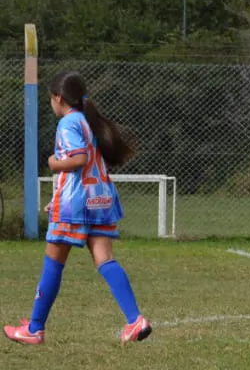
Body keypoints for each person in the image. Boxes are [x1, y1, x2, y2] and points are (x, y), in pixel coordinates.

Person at [5, 71, 151, 345]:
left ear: (58, 98)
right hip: (100, 199)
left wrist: (52, 163)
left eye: (51, 98)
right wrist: (57, 195)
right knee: (106, 260)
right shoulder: (88, 121)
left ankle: (35, 328)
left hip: (76, 203)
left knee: (53, 263)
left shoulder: (68, 123)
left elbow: (78, 160)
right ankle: (135, 320)